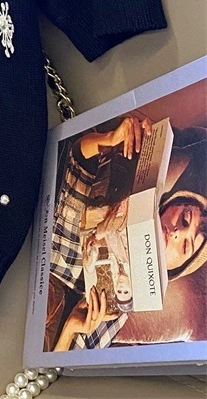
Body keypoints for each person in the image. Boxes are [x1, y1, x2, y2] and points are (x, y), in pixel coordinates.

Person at [47, 118, 207, 350]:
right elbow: (78, 158)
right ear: (169, 205)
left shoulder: (118, 308)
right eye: (184, 219)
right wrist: (110, 139)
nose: (176, 233)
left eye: (185, 246)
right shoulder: (111, 206)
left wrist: (70, 328)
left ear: (175, 269)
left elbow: (57, 364)